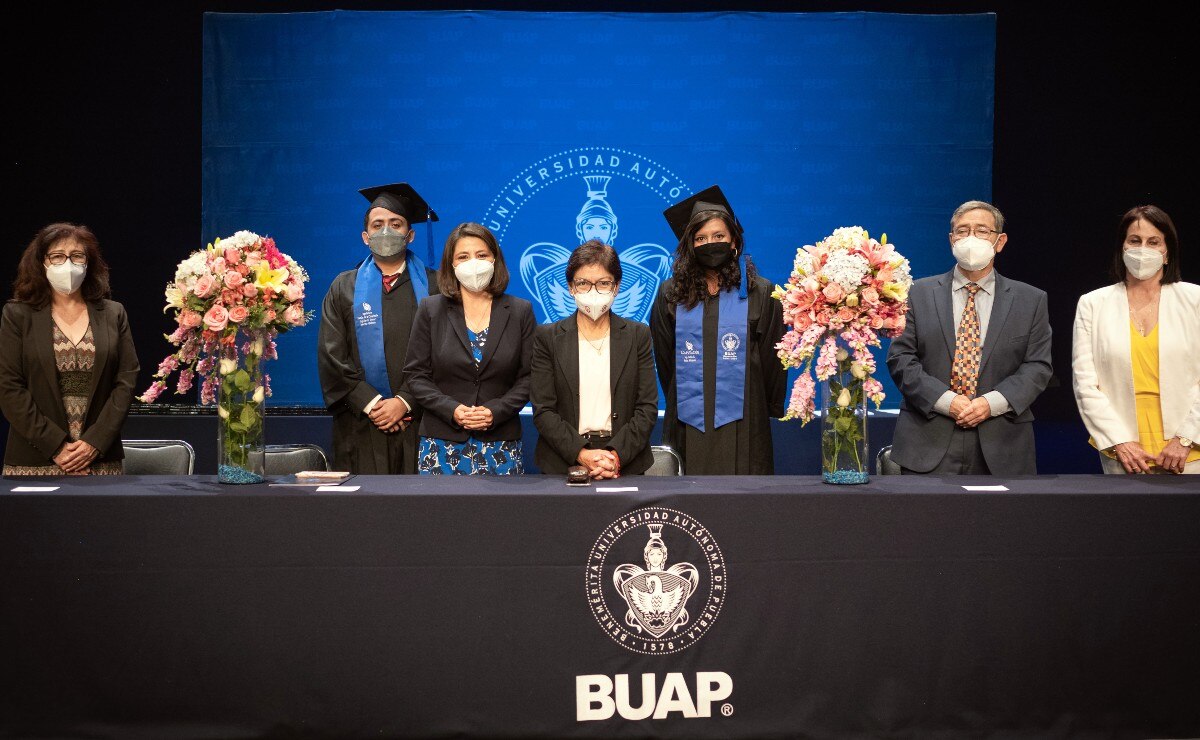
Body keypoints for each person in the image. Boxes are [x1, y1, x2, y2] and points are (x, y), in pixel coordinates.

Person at [886, 200, 1053, 475]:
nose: (971, 238)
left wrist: (990, 404)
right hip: (928, 440)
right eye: (963, 231)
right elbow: (900, 358)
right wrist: (946, 401)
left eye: (982, 231)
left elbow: (1037, 367)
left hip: (1002, 444)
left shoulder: (1031, 300)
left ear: (1000, 241)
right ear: (952, 240)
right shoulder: (916, 293)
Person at [649, 185, 786, 474]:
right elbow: (664, 359)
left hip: (746, 418)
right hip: (686, 416)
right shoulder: (670, 294)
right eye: (700, 238)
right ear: (690, 246)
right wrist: (683, 395)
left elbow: (774, 361)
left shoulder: (760, 292)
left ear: (734, 240)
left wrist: (767, 407)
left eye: (718, 236)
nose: (710, 243)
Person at [317, 182, 440, 474]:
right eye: (378, 225)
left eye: (396, 224)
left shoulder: (437, 286)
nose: (386, 231)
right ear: (365, 236)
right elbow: (332, 357)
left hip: (420, 421)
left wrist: (405, 401)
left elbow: (446, 352)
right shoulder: (343, 286)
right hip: (360, 423)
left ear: (410, 235)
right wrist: (372, 404)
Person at [0, 223, 139, 475]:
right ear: (42, 262)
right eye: (57, 256)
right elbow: (9, 387)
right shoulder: (17, 314)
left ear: (88, 263)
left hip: (99, 459)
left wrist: (93, 443)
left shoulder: (113, 313)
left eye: (77, 256)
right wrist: (57, 447)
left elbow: (126, 381)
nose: (68, 264)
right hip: (35, 459)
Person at [1072, 205, 1200, 474]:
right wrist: (1119, 440)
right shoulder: (1093, 304)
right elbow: (1085, 383)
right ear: (1123, 248)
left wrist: (1187, 438)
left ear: (1167, 253)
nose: (1143, 249)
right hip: (1124, 453)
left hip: (1188, 451)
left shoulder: (1195, 300)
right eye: (1135, 241)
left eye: (1154, 242)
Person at [403, 223, 534, 474]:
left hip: (500, 444)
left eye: (482, 255)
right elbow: (415, 375)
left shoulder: (520, 311)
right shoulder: (431, 309)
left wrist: (495, 411)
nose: (473, 262)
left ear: (495, 259)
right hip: (441, 443)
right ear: (452, 265)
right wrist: (452, 410)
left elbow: (529, 377)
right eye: (463, 256)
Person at [531, 240, 658, 478]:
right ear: (571, 287)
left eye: (603, 283)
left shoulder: (638, 335)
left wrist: (614, 457)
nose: (593, 291)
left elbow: (647, 407)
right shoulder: (548, 337)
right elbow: (543, 410)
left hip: (624, 463)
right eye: (583, 283)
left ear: (617, 287)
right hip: (563, 462)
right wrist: (583, 454)